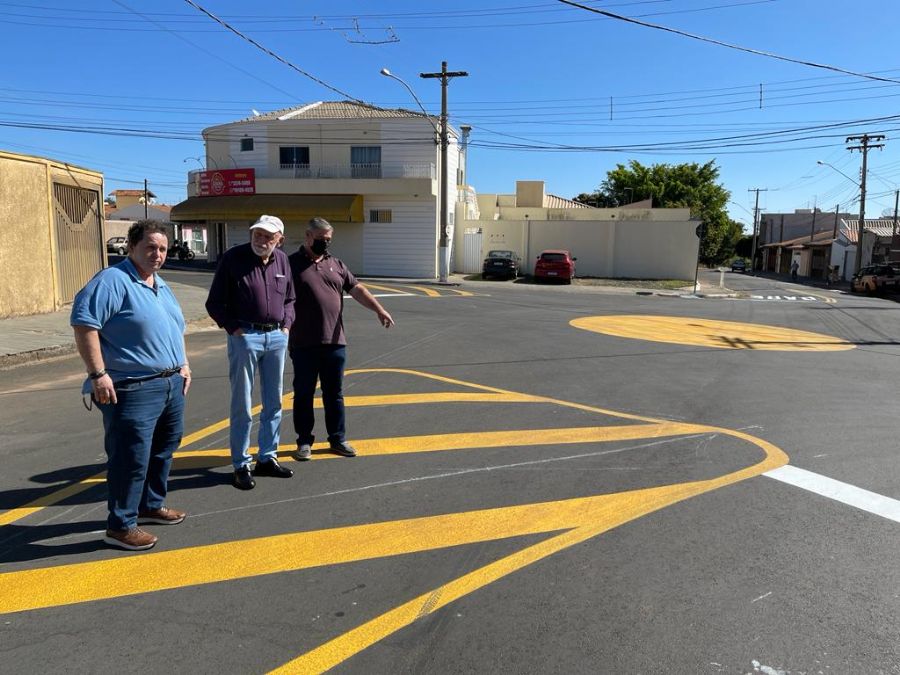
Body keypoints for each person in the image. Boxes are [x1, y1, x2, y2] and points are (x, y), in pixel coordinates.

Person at [71, 220, 191, 551]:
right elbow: (84, 325)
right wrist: (98, 374)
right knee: (130, 458)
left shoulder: (160, 284)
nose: (158, 254)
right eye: (150, 247)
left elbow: (175, 329)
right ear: (132, 246)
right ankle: (120, 526)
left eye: (162, 248)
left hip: (170, 383)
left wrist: (184, 365)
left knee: (163, 449)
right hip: (132, 387)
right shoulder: (112, 280)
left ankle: (150, 505)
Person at [288, 217, 394, 460]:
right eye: (320, 239)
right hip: (303, 343)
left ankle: (337, 439)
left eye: (328, 240)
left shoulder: (336, 264)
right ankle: (304, 441)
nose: (325, 243)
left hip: (335, 343)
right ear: (307, 236)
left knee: (334, 394)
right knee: (303, 394)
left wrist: (379, 309)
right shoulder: (290, 264)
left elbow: (357, 290)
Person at [206, 215, 296, 490]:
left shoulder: (282, 261)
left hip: (276, 337)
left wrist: (286, 326)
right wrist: (234, 329)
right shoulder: (233, 258)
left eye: (268, 236)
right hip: (245, 336)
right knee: (242, 404)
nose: (261, 240)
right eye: (258, 234)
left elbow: (290, 299)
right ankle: (241, 463)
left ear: (279, 239)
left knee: (274, 402)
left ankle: (267, 457)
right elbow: (214, 302)